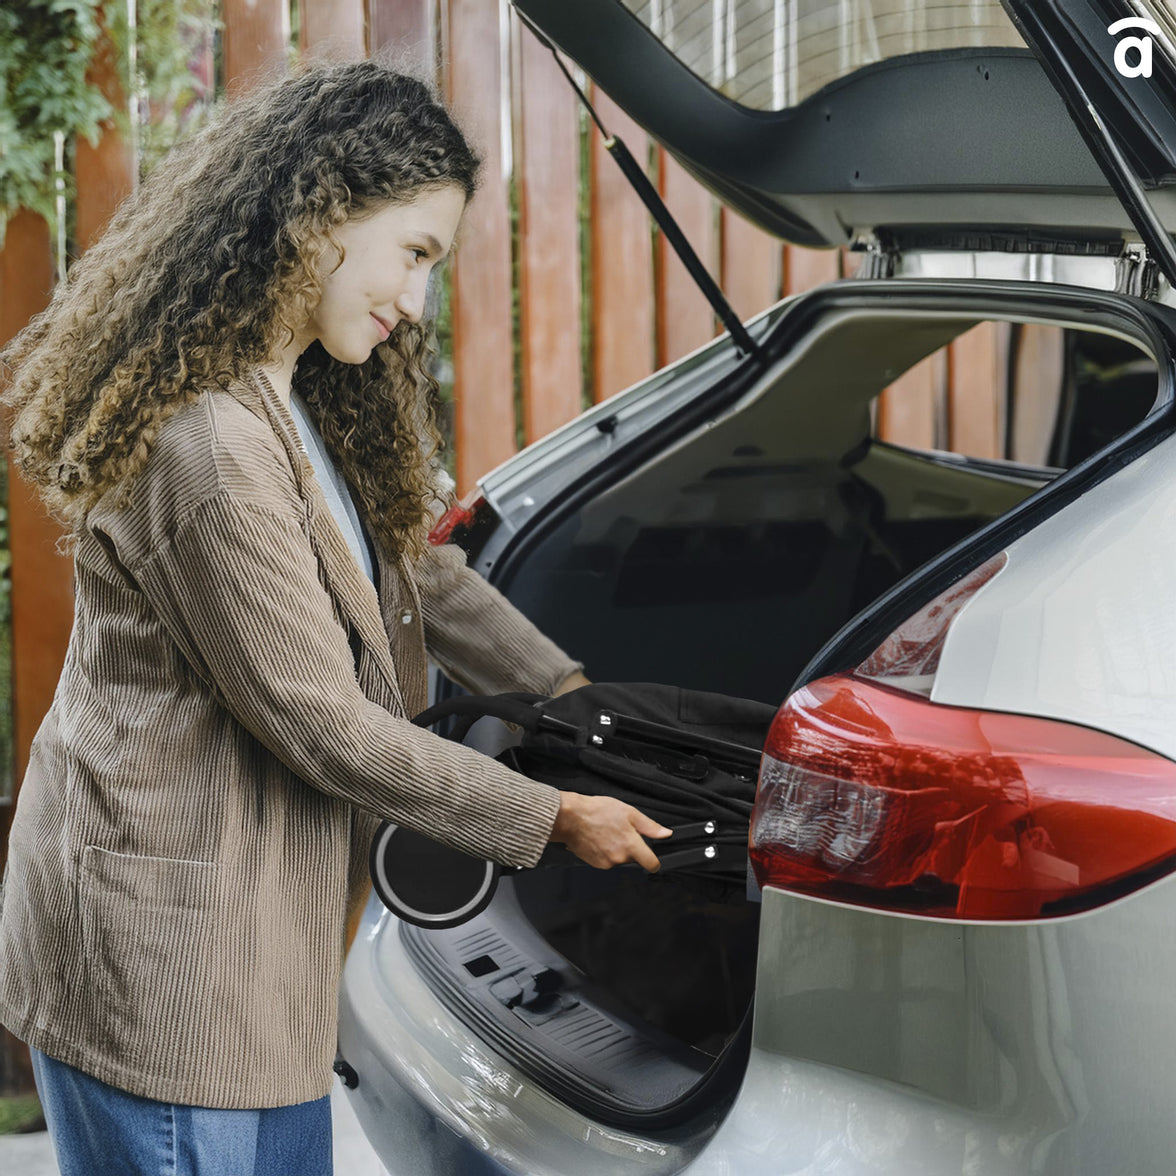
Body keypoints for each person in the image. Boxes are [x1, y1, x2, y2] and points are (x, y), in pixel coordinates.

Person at [0, 59, 671, 1175]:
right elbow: (321, 723)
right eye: (415, 253)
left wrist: (572, 696)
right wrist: (551, 816)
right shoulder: (211, 450)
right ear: (323, 215)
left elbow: (416, 574)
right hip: (164, 967)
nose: (417, 300)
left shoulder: (300, 397)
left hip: (253, 948)